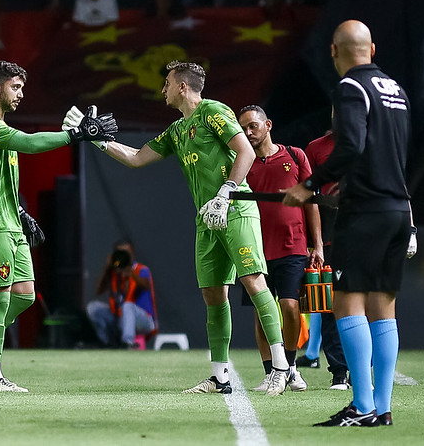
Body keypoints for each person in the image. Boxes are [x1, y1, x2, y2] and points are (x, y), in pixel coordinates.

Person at [73, 60, 291, 396]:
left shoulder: (212, 111)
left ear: (182, 87)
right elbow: (135, 157)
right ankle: (220, 377)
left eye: (167, 83)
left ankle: (281, 369)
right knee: (213, 296)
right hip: (206, 218)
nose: (163, 89)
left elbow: (245, 151)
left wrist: (226, 191)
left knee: (253, 281)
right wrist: (99, 141)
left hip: (234, 208)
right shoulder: (177, 130)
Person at [0, 60, 118, 392]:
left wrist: (22, 214)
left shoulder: (0, 128)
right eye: (16, 87)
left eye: (23, 87)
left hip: (10, 222)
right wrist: (76, 134)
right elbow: (29, 143)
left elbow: (3, 180)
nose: (21, 94)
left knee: (25, 296)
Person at [283, 20, 416, 427]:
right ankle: (383, 407)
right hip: (398, 209)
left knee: (346, 302)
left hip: (368, 212)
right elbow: (389, 153)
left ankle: (361, 406)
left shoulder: (349, 89)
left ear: (334, 52)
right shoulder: (397, 91)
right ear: (372, 48)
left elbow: (352, 146)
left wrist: (309, 186)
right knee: (384, 306)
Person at [237, 104, 324, 393]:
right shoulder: (242, 162)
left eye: (253, 126)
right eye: (244, 127)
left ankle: (289, 367)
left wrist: (317, 244)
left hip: (292, 246)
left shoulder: (295, 156)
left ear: (268, 125)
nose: (248, 132)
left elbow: (310, 202)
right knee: (262, 313)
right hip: (254, 248)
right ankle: (270, 372)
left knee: (289, 306)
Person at [298, 129, 350, 391]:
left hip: (365, 235)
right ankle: (339, 372)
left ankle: (362, 368)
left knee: (367, 306)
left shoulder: (371, 141)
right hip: (330, 238)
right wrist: (314, 241)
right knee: (329, 307)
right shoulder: (316, 147)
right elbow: (309, 194)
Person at [86, 240, 157, 348]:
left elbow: (146, 285)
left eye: (126, 254)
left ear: (132, 255)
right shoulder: (114, 272)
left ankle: (127, 343)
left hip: (143, 321)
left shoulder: (140, 269)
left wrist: (131, 274)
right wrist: (107, 268)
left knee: (127, 306)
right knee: (93, 307)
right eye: (120, 254)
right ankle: (106, 343)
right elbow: (98, 291)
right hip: (119, 318)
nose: (123, 257)